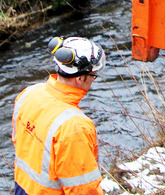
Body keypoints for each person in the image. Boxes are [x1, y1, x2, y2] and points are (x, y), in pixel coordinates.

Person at [12, 36, 106, 194]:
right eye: (93, 75)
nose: (93, 80)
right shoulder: (74, 126)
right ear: (80, 78)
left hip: (22, 186)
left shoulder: (29, 93)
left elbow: (18, 140)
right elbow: (83, 189)